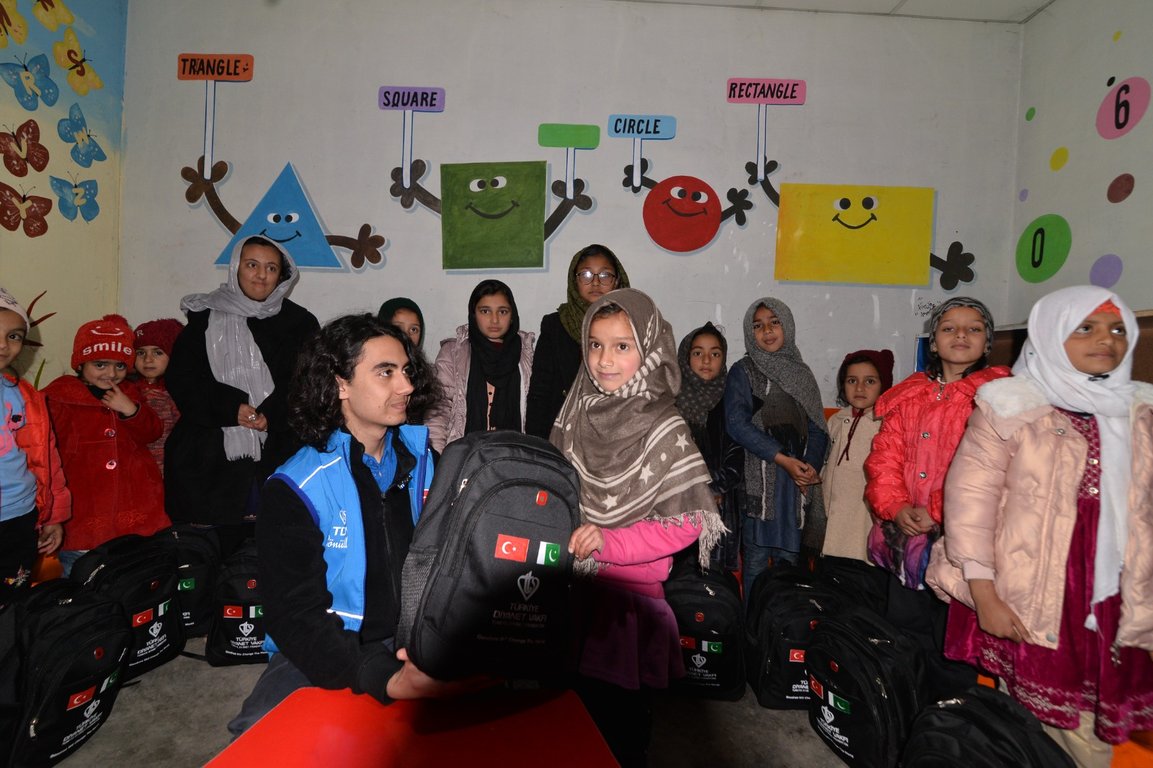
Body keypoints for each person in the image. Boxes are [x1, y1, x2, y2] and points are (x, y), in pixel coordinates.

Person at [928, 286, 1153, 767]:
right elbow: (971, 500)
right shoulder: (1011, 407)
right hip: (1032, 584)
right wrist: (983, 593)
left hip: (1111, 593)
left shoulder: (1139, 412)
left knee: (1088, 725)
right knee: (1029, 720)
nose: (1106, 340)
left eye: (1118, 329)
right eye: (1085, 328)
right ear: (1050, 334)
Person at [229, 315, 465, 736]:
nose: (406, 386)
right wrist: (380, 675)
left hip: (415, 639)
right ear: (340, 384)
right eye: (385, 372)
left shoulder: (427, 465)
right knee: (257, 738)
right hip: (328, 645)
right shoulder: (296, 486)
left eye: (406, 371)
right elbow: (295, 617)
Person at [551, 289, 723, 767]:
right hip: (573, 594)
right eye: (596, 344)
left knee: (620, 731)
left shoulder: (665, 426)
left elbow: (688, 522)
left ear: (649, 349)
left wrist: (609, 542)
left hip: (628, 607)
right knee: (573, 722)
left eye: (622, 346)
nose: (605, 360)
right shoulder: (575, 411)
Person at [864, 296, 1009, 698]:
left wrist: (936, 511)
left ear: (987, 342)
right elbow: (884, 457)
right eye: (949, 328)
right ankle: (905, 712)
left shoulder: (1000, 397)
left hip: (963, 542)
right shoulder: (910, 395)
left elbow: (993, 469)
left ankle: (947, 720)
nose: (961, 335)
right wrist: (895, 507)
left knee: (952, 642)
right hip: (907, 538)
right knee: (904, 631)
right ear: (933, 341)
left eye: (973, 329)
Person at [165, 237, 319, 554]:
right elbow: (183, 380)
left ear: (282, 276)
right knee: (211, 558)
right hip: (210, 461)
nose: (261, 275)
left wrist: (271, 415)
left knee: (275, 556)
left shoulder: (300, 323)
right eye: (252, 265)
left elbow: (310, 382)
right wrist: (230, 408)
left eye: (271, 268)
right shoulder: (203, 318)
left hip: (279, 451)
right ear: (236, 268)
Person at [43, 314, 168, 575]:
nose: (111, 374)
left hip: (133, 508)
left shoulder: (130, 393)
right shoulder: (58, 398)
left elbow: (152, 432)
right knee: (81, 580)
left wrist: (130, 410)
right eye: (100, 364)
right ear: (80, 363)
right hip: (82, 511)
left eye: (120, 366)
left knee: (130, 580)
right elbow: (45, 453)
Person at [724, 298, 828, 591]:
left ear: (788, 326)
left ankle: (781, 620)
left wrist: (810, 468)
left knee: (790, 567)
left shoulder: (802, 374)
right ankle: (754, 622)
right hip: (759, 483)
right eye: (758, 326)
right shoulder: (744, 371)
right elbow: (736, 424)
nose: (767, 331)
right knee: (756, 564)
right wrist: (782, 459)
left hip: (795, 488)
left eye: (774, 322)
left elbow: (818, 428)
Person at [0, 287, 69, 606]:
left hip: (19, 515)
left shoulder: (24, 396)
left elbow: (46, 459)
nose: (4, 345)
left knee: (11, 599)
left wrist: (53, 516)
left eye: (13, 336)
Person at [525, 244, 630, 438]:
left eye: (605, 275)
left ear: (617, 281)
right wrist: (538, 444)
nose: (595, 282)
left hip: (618, 432)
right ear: (575, 281)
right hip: (563, 433)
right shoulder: (555, 325)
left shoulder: (632, 324)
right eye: (586, 274)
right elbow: (540, 393)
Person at [426, 279, 534, 453]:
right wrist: (438, 458)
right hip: (462, 457)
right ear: (473, 314)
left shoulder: (526, 354)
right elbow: (438, 410)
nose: (494, 319)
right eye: (485, 311)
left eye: (503, 311)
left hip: (513, 456)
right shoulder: (454, 353)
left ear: (512, 315)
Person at [675, 322, 743, 572]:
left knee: (711, 580)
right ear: (685, 357)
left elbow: (737, 455)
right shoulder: (670, 400)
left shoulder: (731, 401)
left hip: (718, 504)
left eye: (715, 354)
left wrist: (713, 487)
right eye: (698, 353)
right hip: (676, 504)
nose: (706, 360)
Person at [820, 349, 893, 564]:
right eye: (852, 380)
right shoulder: (836, 420)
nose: (860, 388)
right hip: (834, 516)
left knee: (863, 561)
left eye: (870, 381)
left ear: (883, 385)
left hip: (865, 517)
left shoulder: (888, 424)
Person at [133, 317, 184, 475]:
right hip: (134, 470)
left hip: (168, 470)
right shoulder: (128, 390)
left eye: (158, 352)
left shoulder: (178, 392)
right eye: (141, 352)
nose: (148, 359)